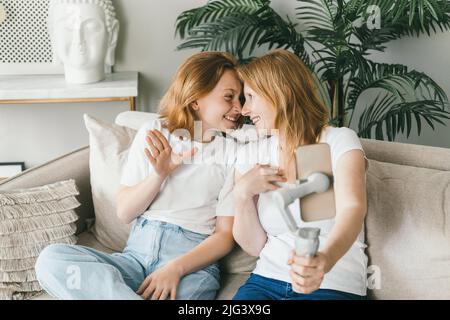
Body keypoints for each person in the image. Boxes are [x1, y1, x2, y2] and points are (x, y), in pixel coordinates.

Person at [35, 51, 243, 300]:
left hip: (190, 267)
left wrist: (174, 269)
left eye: (240, 98)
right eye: (229, 97)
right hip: (133, 260)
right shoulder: (155, 132)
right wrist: (159, 174)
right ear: (196, 98)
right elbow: (124, 212)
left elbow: (224, 237)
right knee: (52, 260)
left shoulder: (233, 152)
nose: (239, 108)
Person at [232, 49, 368, 300]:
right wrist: (241, 194)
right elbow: (253, 246)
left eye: (250, 96)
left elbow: (354, 209)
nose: (244, 109)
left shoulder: (337, 141)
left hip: (331, 282)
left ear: (278, 93)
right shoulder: (252, 154)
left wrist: (323, 261)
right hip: (265, 281)